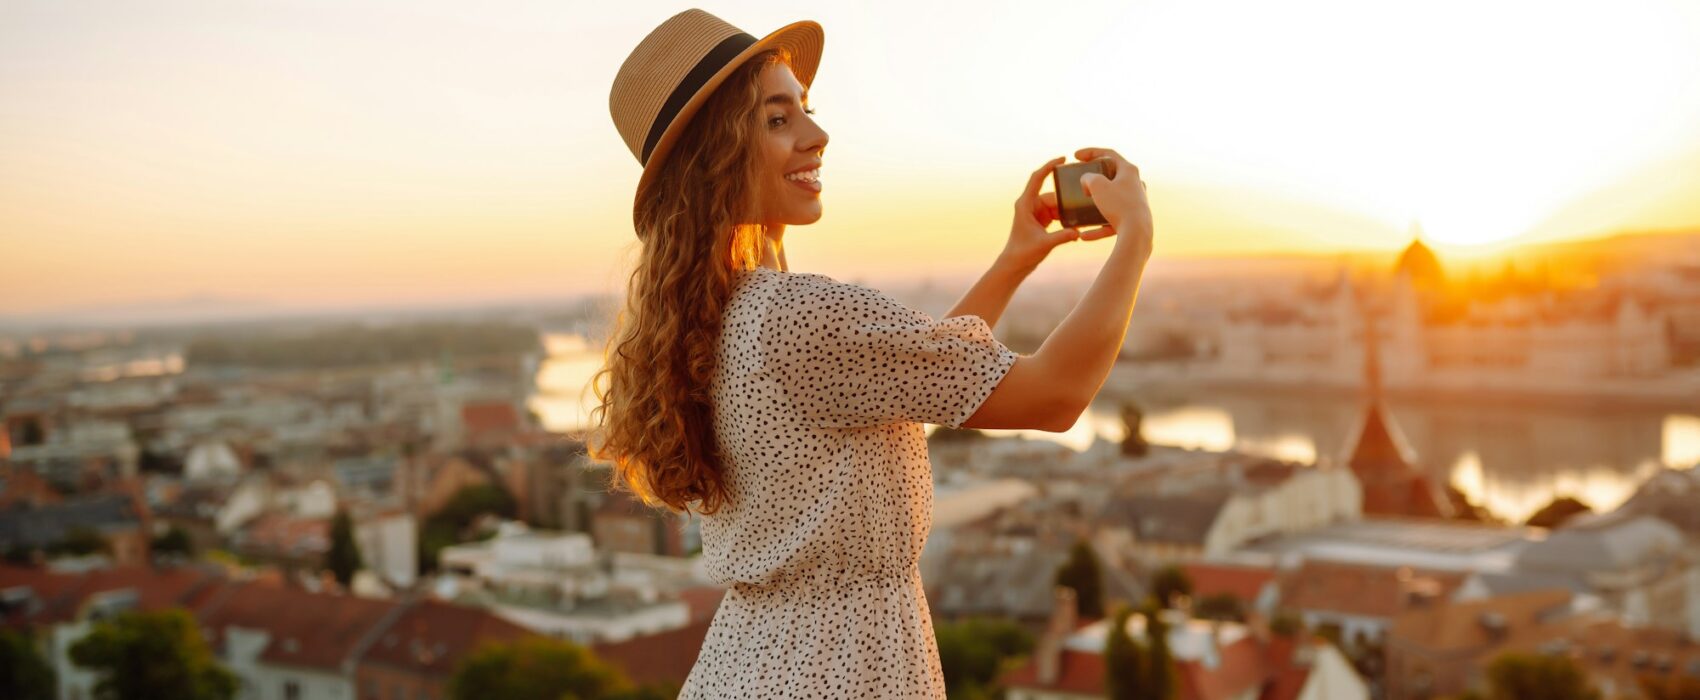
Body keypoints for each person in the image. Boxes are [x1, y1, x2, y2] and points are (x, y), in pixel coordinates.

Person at [595, 9, 1154, 698]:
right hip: (842, 669)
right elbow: (1054, 396)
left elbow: (908, 381)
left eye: (805, 110)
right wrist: (1136, 238)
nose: (817, 135)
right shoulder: (798, 315)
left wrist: (1012, 263)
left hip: (747, 664)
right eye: (777, 119)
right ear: (716, 155)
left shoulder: (707, 322)